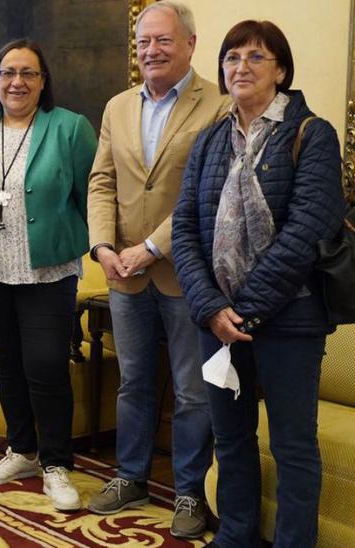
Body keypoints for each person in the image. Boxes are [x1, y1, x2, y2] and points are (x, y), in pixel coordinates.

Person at [172, 20, 345, 548]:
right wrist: (210, 306)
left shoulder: (312, 134)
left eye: (255, 58)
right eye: (231, 58)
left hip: (289, 319)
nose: (240, 68)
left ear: (282, 71)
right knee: (230, 439)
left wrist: (245, 311)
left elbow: (308, 230)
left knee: (293, 446)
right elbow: (184, 229)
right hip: (217, 321)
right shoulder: (208, 141)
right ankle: (236, 535)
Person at [84, 1, 227, 536]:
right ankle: (131, 476)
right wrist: (102, 246)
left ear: (190, 44)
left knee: (193, 391)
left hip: (185, 272)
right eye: (144, 42)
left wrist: (151, 246)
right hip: (123, 270)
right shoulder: (118, 105)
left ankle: (189, 492)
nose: (151, 51)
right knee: (134, 381)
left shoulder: (216, 105)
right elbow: (102, 182)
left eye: (163, 41)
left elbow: (203, 194)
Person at [0, 39, 97, 512]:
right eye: (7, 72)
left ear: (43, 82)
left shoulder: (70, 128)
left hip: (47, 269)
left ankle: (56, 464)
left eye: (29, 74)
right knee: (7, 362)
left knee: (46, 365)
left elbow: (89, 195)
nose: (17, 82)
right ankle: (21, 451)